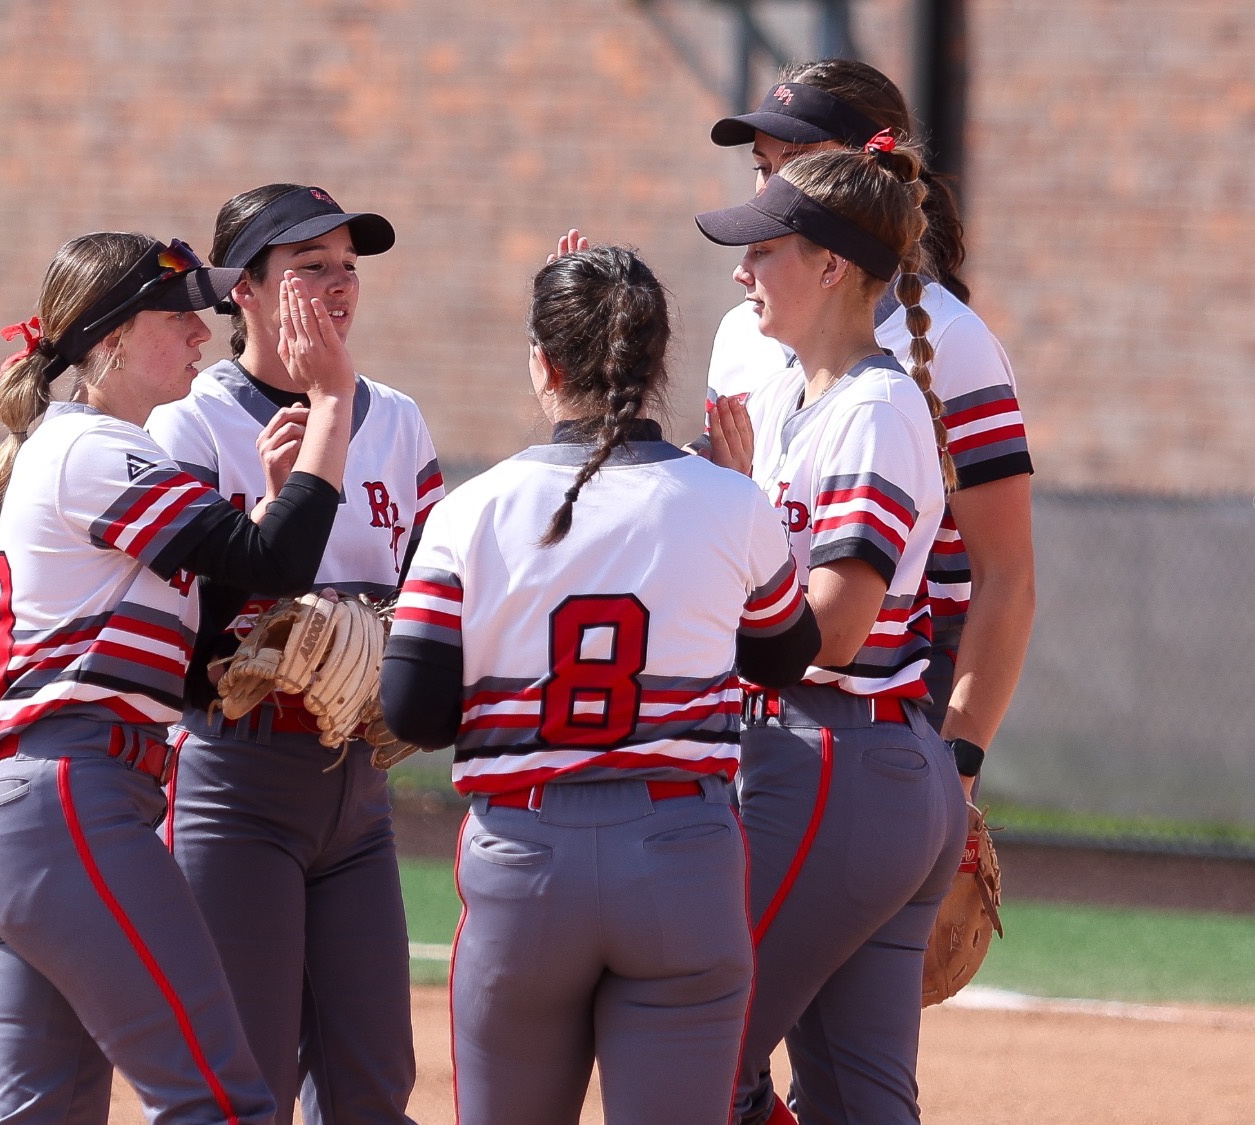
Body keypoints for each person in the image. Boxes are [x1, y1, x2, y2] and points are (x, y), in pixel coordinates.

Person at [378, 243, 820, 1125]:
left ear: (543, 364)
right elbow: (784, 656)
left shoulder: (471, 509)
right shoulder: (729, 501)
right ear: (658, 366)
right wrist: (737, 503)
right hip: (681, 851)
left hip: (525, 854)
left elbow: (414, 714)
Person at [0, 231, 357, 1124]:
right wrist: (331, 402)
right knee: (223, 1104)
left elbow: (201, 662)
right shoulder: (96, 449)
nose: (202, 334)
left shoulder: (84, 450)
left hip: (36, 811)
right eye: (179, 317)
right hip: (69, 807)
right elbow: (275, 554)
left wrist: (268, 507)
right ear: (112, 339)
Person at [143, 184, 436, 1125]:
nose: (338, 285)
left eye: (348, 266)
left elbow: (427, 582)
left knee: (374, 1083)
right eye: (309, 268)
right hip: (236, 776)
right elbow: (183, 619)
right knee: (247, 1083)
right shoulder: (189, 425)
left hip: (356, 780)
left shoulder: (395, 419)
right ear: (247, 292)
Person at [695, 138, 969, 1123]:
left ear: (829, 265)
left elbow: (834, 631)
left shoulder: (870, 407)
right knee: (857, 1105)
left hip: (832, 762)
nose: (740, 268)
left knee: (688, 1051)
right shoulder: (789, 399)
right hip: (857, 769)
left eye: (763, 248)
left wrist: (719, 560)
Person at [705, 60, 1036, 797]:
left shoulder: (950, 343)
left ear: (864, 174)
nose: (767, 191)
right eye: (762, 168)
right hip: (759, 703)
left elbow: (1005, 577)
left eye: (794, 165)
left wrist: (961, 760)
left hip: (889, 706)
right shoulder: (743, 332)